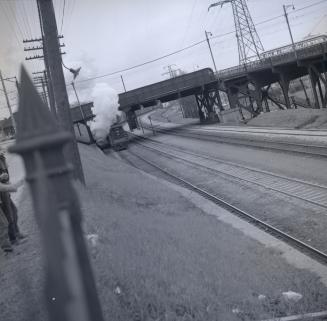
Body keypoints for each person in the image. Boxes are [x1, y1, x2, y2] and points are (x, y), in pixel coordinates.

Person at [0, 152, 25, 246]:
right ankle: (13, 239)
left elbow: (5, 170)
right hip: (1, 190)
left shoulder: (1, 156)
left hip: (4, 187)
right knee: (8, 216)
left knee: (14, 211)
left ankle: (17, 233)